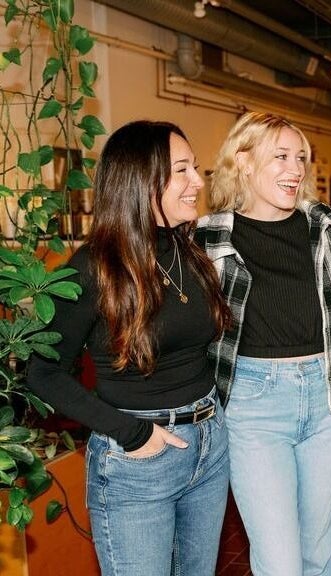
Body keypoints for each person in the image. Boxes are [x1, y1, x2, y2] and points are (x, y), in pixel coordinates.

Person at [27, 120, 231, 575]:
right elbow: (43, 373)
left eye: (195, 168)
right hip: (138, 460)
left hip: (209, 444)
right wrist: (133, 434)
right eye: (183, 170)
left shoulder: (189, 251)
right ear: (142, 180)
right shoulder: (93, 268)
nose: (198, 181)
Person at [194, 112, 331, 576]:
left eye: (300, 158)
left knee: (320, 555)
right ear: (243, 161)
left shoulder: (324, 225)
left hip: (329, 397)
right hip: (253, 403)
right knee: (280, 562)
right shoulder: (208, 236)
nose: (295, 169)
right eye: (280, 157)